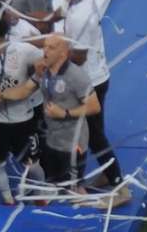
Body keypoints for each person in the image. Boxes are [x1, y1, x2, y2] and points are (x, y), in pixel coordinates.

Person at [51, 0, 130, 205]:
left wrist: (54, 51)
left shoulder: (79, 18)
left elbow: (79, 56)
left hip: (88, 81)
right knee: (95, 134)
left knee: (90, 136)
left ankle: (120, 188)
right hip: (98, 75)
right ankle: (107, 176)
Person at [0, 8, 45, 204]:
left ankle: (40, 195)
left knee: (32, 163)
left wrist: (35, 80)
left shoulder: (22, 50)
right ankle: (7, 198)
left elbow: (45, 62)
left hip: (22, 118)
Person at [21, 35, 101, 197]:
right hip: (52, 141)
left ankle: (82, 217)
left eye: (51, 48)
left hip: (72, 143)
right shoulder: (45, 70)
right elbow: (24, 90)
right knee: (56, 184)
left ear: (63, 54)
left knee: (74, 189)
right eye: (45, 46)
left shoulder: (77, 76)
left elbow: (94, 107)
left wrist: (64, 113)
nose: (45, 51)